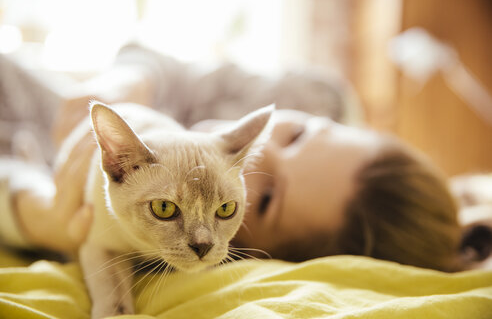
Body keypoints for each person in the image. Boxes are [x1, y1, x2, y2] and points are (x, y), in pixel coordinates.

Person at [0, 45, 488, 272]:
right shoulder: (316, 95)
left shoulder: (174, 243)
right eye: (296, 135)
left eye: (268, 194)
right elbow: (170, 67)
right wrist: (124, 84)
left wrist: (30, 213)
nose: (260, 149)